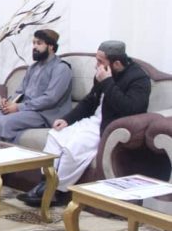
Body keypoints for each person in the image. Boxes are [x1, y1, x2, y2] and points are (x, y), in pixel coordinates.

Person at [18, 40, 151, 206]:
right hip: (92, 121)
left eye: (100, 61)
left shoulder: (139, 79)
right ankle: (45, 183)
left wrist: (108, 82)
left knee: (72, 148)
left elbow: (130, 109)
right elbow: (89, 101)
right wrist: (67, 119)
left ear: (116, 63)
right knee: (55, 136)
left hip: (109, 127)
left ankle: (55, 191)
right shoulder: (103, 74)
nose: (96, 65)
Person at [0, 30, 73, 142]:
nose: (34, 47)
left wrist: (18, 107)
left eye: (39, 43)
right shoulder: (33, 67)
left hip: (43, 113)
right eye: (34, 43)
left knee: (3, 122)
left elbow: (50, 99)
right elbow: (20, 91)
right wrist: (8, 102)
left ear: (51, 46)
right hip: (25, 109)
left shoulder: (61, 68)